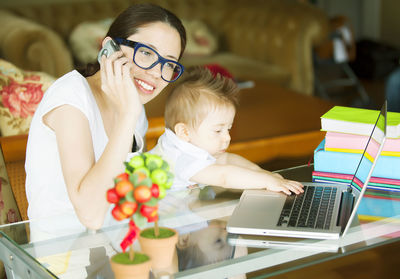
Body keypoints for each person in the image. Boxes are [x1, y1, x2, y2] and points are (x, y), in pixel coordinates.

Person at [25, 3, 187, 230]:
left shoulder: (133, 108)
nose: (155, 72)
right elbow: (91, 216)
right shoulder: (71, 99)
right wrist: (127, 115)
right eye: (146, 52)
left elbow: (123, 195)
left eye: (169, 63)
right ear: (109, 48)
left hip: (110, 247)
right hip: (60, 257)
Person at [150, 66, 304, 195]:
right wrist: (267, 182)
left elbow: (227, 159)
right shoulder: (181, 158)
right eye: (218, 131)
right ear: (184, 132)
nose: (227, 138)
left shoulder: (186, 142)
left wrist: (263, 174)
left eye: (228, 129)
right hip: (165, 221)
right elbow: (224, 176)